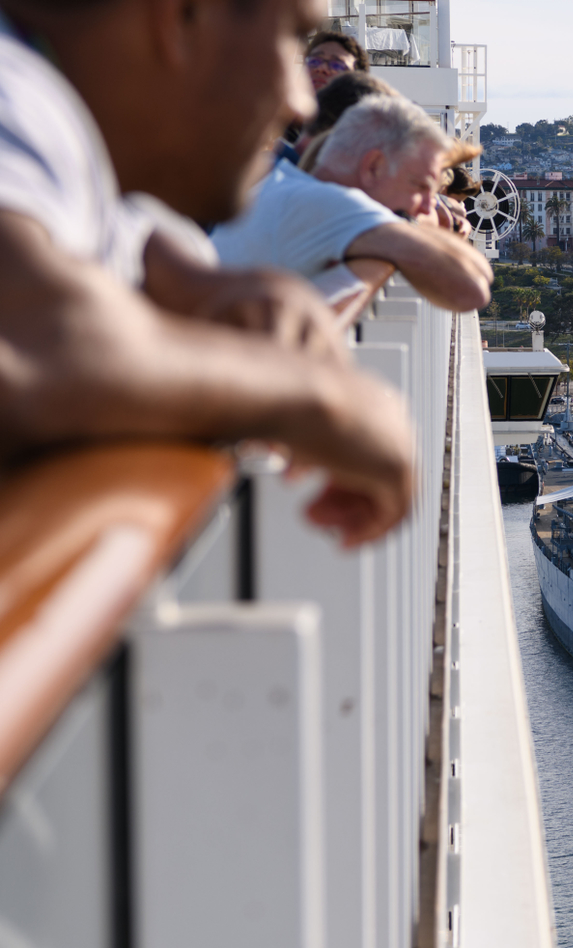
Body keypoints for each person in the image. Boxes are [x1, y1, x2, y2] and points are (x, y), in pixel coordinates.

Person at [0, 0, 414, 547]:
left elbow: (140, 256)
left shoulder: (64, 126)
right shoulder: (17, 96)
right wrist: (309, 396)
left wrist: (235, 298)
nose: (297, 99)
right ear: (178, 19)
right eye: (291, 42)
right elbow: (29, 347)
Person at [213, 94, 491, 312]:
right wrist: (431, 226)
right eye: (419, 187)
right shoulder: (333, 205)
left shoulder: (287, 186)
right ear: (373, 167)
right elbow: (472, 287)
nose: (427, 207)